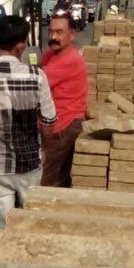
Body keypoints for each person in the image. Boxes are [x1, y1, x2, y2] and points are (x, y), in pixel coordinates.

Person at [0, 15, 57, 229]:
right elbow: (48, 120)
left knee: (1, 227)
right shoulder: (37, 76)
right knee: (31, 222)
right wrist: (45, 148)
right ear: (21, 46)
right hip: (30, 164)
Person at [41, 12, 88, 187]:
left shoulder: (70, 60)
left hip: (65, 124)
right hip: (54, 122)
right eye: (51, 31)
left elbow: (37, 82)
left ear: (72, 35)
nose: (53, 36)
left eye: (59, 32)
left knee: (49, 180)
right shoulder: (50, 55)